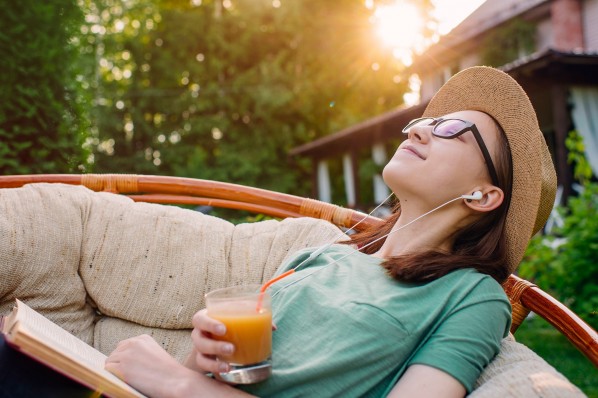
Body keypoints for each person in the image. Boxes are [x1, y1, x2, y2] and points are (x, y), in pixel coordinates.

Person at [104, 66, 557, 397]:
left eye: (453, 129)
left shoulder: (470, 297)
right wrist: (199, 361)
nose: (419, 131)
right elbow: (226, 377)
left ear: (483, 196)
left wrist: (178, 383)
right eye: (426, 122)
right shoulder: (322, 257)